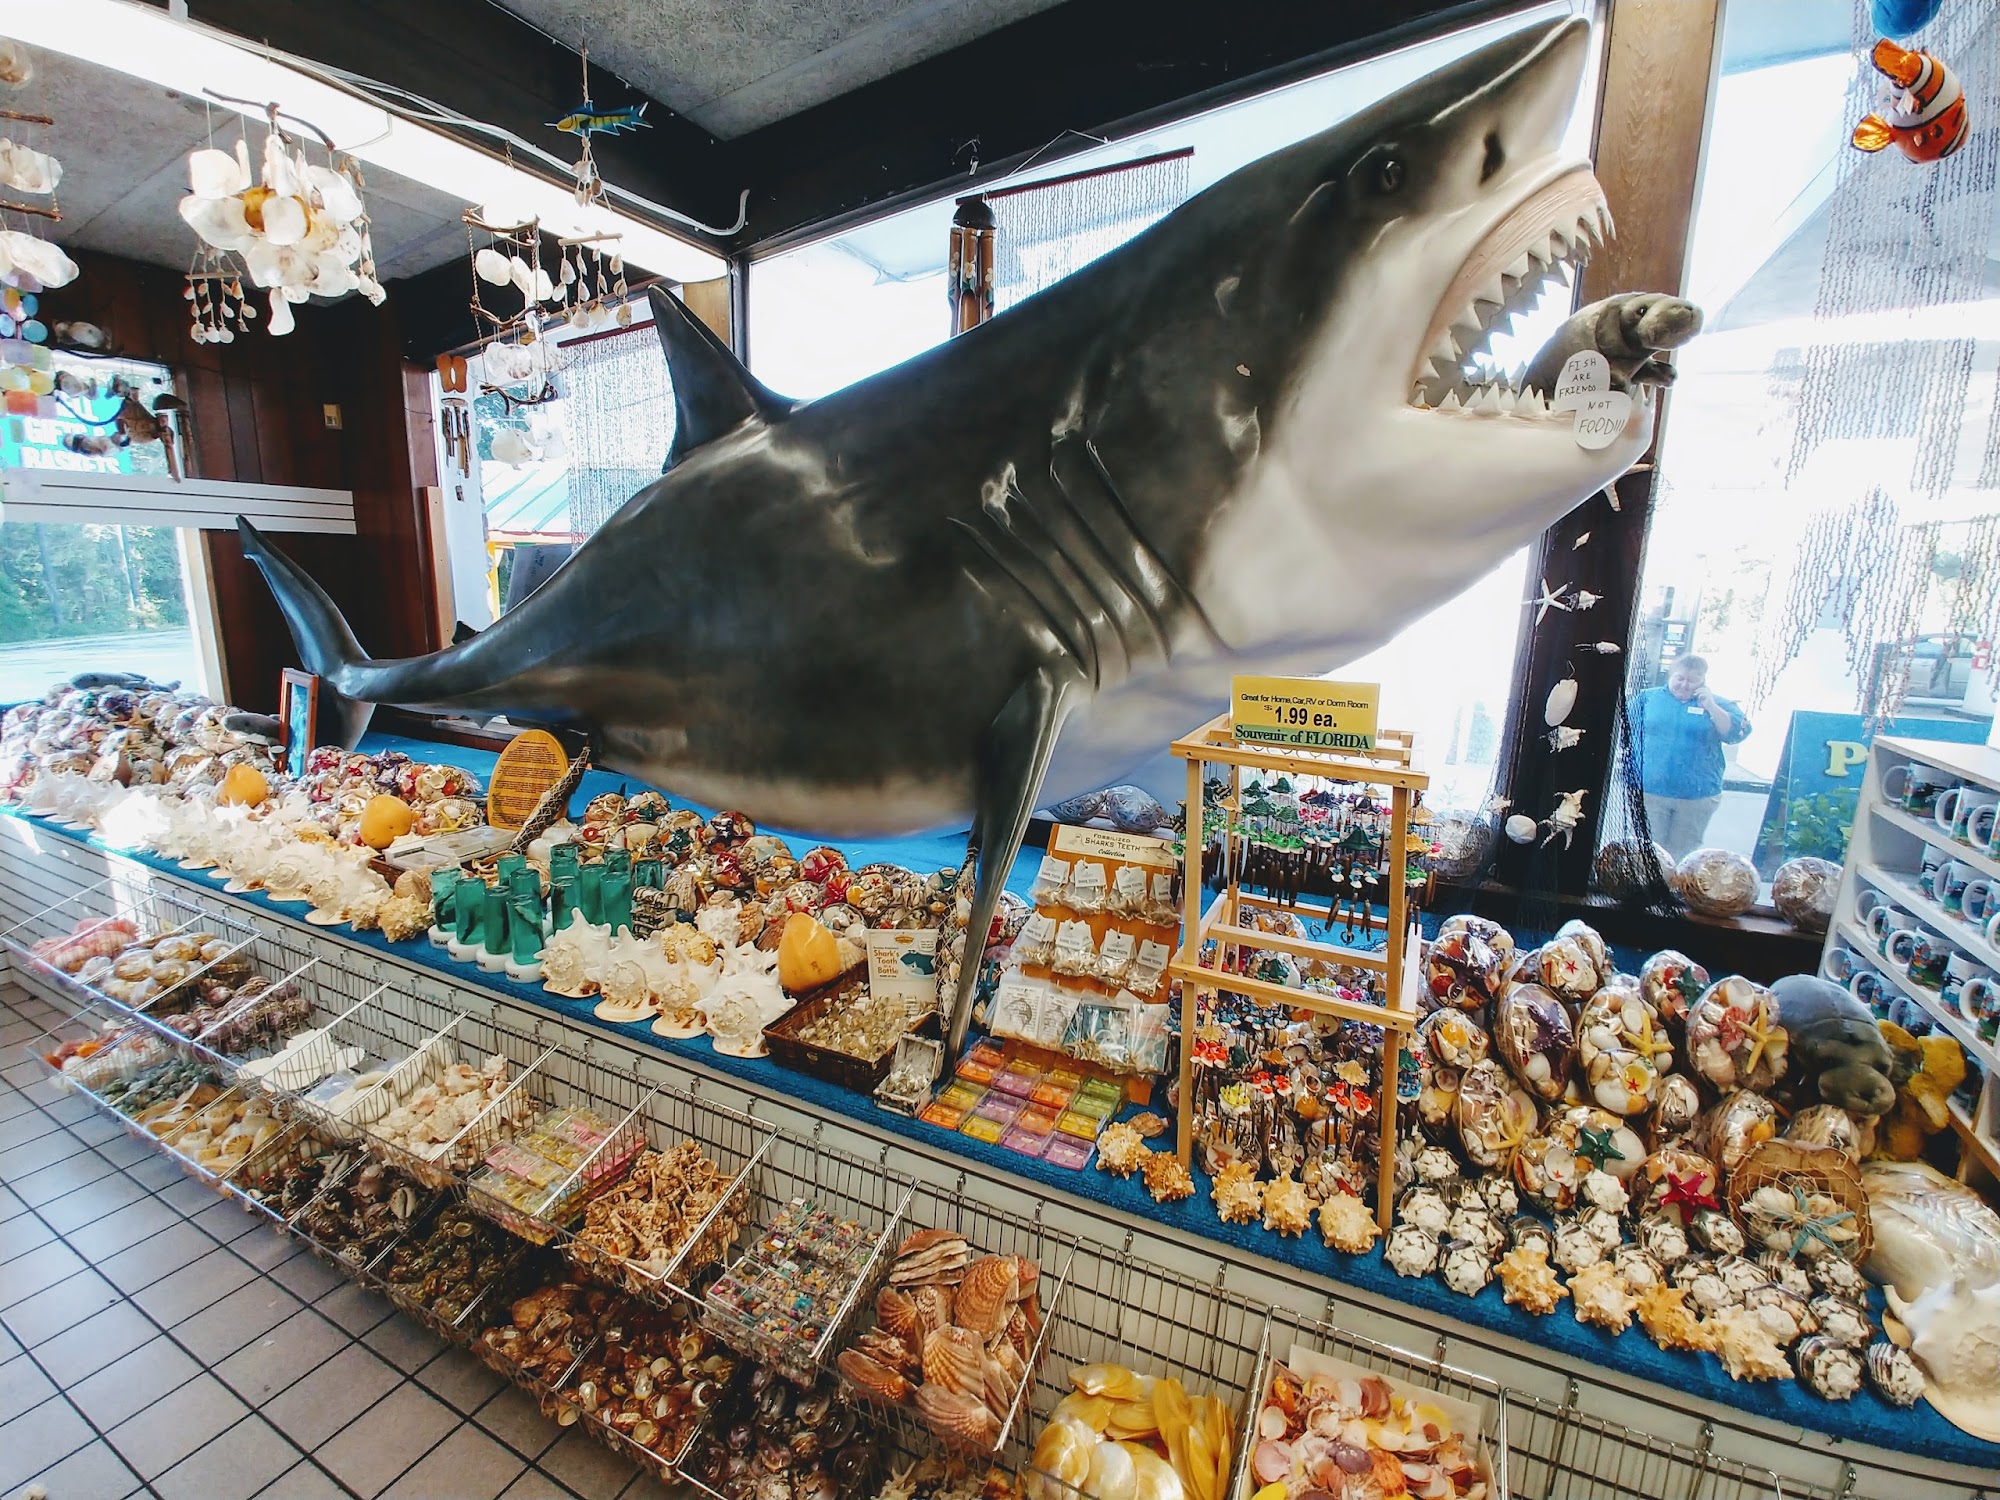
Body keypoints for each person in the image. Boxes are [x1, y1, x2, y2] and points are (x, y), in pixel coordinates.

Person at [1631, 653, 1750, 860]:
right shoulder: (1647, 698)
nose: (1685, 685)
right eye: (1680, 678)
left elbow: (1735, 734)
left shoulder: (1718, 704)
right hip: (1651, 791)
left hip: (1696, 796)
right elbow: (1623, 727)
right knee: (1649, 852)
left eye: (1693, 680)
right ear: (1670, 675)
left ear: (1703, 680)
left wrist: (1711, 706)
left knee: (1682, 854)